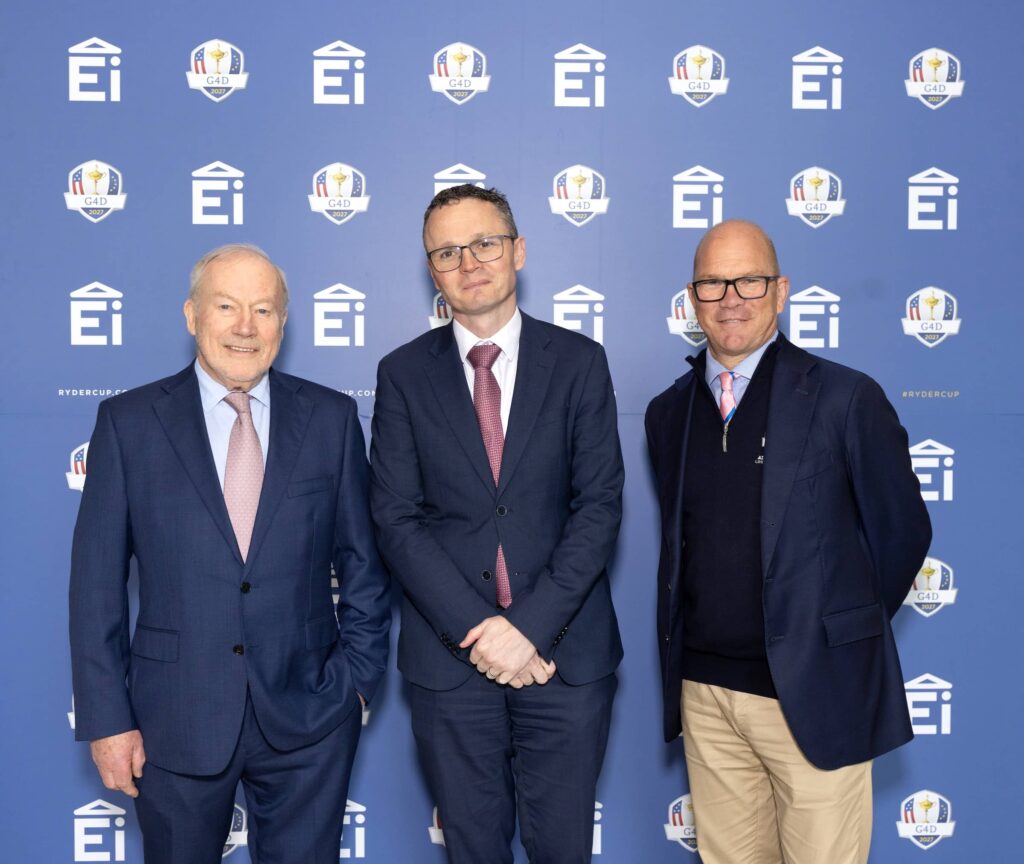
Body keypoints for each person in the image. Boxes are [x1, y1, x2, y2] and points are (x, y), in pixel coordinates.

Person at [69, 243, 390, 864]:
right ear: (193, 316)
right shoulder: (129, 423)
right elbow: (95, 586)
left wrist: (355, 686)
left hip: (311, 717)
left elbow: (365, 568)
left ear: (283, 322)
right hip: (173, 720)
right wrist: (108, 719)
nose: (245, 327)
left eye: (263, 309)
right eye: (227, 306)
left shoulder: (330, 418)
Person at [645, 220, 931, 864]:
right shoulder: (671, 412)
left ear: (781, 291)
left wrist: (830, 631)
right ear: (692, 297)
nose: (731, 297)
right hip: (707, 697)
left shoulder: (845, 397)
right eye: (713, 283)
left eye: (749, 280)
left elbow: (903, 534)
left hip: (814, 691)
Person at [370, 185, 623, 864]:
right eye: (448, 252)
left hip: (563, 661)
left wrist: (529, 630)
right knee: (472, 852)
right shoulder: (400, 376)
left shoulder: (578, 363)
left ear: (518, 251)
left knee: (562, 850)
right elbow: (396, 518)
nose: (469, 262)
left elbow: (598, 508)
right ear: (433, 271)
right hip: (453, 663)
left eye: (484, 243)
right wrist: (485, 635)